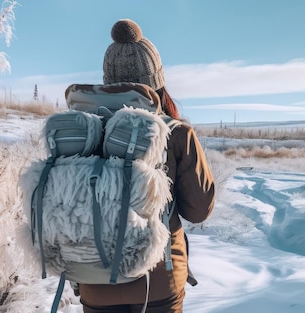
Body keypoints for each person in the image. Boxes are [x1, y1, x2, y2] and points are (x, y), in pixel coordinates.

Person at [77, 19, 216, 313]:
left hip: (93, 278)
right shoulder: (177, 133)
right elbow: (198, 210)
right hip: (160, 282)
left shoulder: (82, 131)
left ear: (108, 79)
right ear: (157, 80)